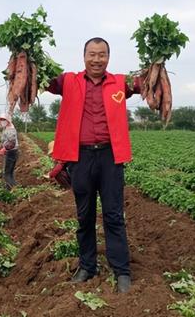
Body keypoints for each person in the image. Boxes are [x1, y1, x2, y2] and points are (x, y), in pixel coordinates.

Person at [45, 37, 140, 293]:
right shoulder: (68, 80)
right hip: (80, 157)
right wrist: (26, 53)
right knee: (84, 215)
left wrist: (157, 61)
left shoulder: (121, 82)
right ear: (83, 55)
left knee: (113, 215)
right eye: (92, 54)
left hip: (111, 157)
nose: (97, 59)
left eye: (102, 54)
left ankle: (121, 271)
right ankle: (87, 266)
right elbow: (41, 77)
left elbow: (147, 81)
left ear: (108, 57)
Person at [0, 113, 19, 189]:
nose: (1, 121)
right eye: (1, 119)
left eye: (3, 119)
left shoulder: (10, 130)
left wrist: (3, 150)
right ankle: (14, 186)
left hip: (11, 152)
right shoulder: (7, 128)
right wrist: (0, 148)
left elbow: (11, 143)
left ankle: (10, 188)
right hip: (12, 152)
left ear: (7, 120)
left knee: (7, 173)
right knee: (10, 172)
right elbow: (5, 141)